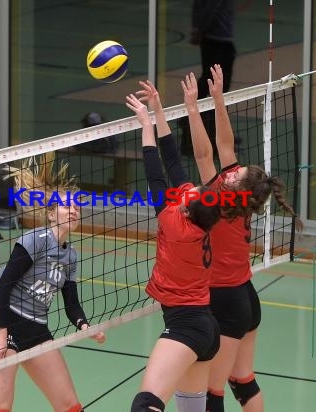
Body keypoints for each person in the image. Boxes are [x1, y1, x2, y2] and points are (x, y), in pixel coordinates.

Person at [182, 65, 302, 412]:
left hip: (226, 301)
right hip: (246, 296)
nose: (231, 168)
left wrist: (193, 107)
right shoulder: (241, 199)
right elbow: (225, 145)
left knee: (211, 391)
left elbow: (206, 154)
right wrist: (218, 99)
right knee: (243, 378)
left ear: (239, 186)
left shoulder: (219, 200)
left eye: (236, 172)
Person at [126, 80, 222, 412]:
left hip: (186, 327)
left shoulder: (175, 223)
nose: (189, 186)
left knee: (145, 404)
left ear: (185, 209)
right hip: (206, 327)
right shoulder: (199, 216)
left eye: (190, 192)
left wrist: (145, 127)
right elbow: (173, 162)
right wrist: (157, 109)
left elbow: (155, 175)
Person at [0, 174, 106, 412]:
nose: (73, 211)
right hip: (7, 324)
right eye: (66, 206)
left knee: (70, 406)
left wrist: (85, 327)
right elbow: (4, 286)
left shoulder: (71, 256)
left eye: (76, 208)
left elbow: (72, 304)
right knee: (0, 408)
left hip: (37, 331)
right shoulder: (34, 240)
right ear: (51, 214)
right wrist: (0, 336)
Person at [180, 0, 237, 157]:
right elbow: (208, 8)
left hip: (218, 39)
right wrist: (199, 30)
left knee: (212, 82)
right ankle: (197, 123)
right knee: (215, 84)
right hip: (216, 40)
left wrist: (198, 29)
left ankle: (210, 129)